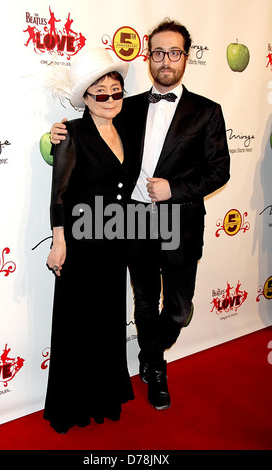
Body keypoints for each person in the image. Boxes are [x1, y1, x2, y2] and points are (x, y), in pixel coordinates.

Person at [50, 19, 230, 411]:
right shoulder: (125, 106)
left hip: (178, 222)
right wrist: (58, 134)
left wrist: (175, 189)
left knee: (179, 309)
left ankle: (149, 351)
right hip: (132, 223)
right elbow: (92, 130)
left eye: (175, 52)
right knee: (145, 303)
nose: (166, 60)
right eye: (159, 52)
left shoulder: (207, 111)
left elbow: (220, 171)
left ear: (186, 57)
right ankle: (156, 367)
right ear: (149, 57)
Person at [44, 47, 135, 434]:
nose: (110, 99)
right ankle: (71, 406)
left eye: (116, 91)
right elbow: (59, 193)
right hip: (80, 246)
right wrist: (58, 241)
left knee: (107, 323)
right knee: (76, 324)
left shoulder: (128, 129)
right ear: (85, 97)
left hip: (115, 244)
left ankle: (104, 398)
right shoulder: (71, 133)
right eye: (101, 93)